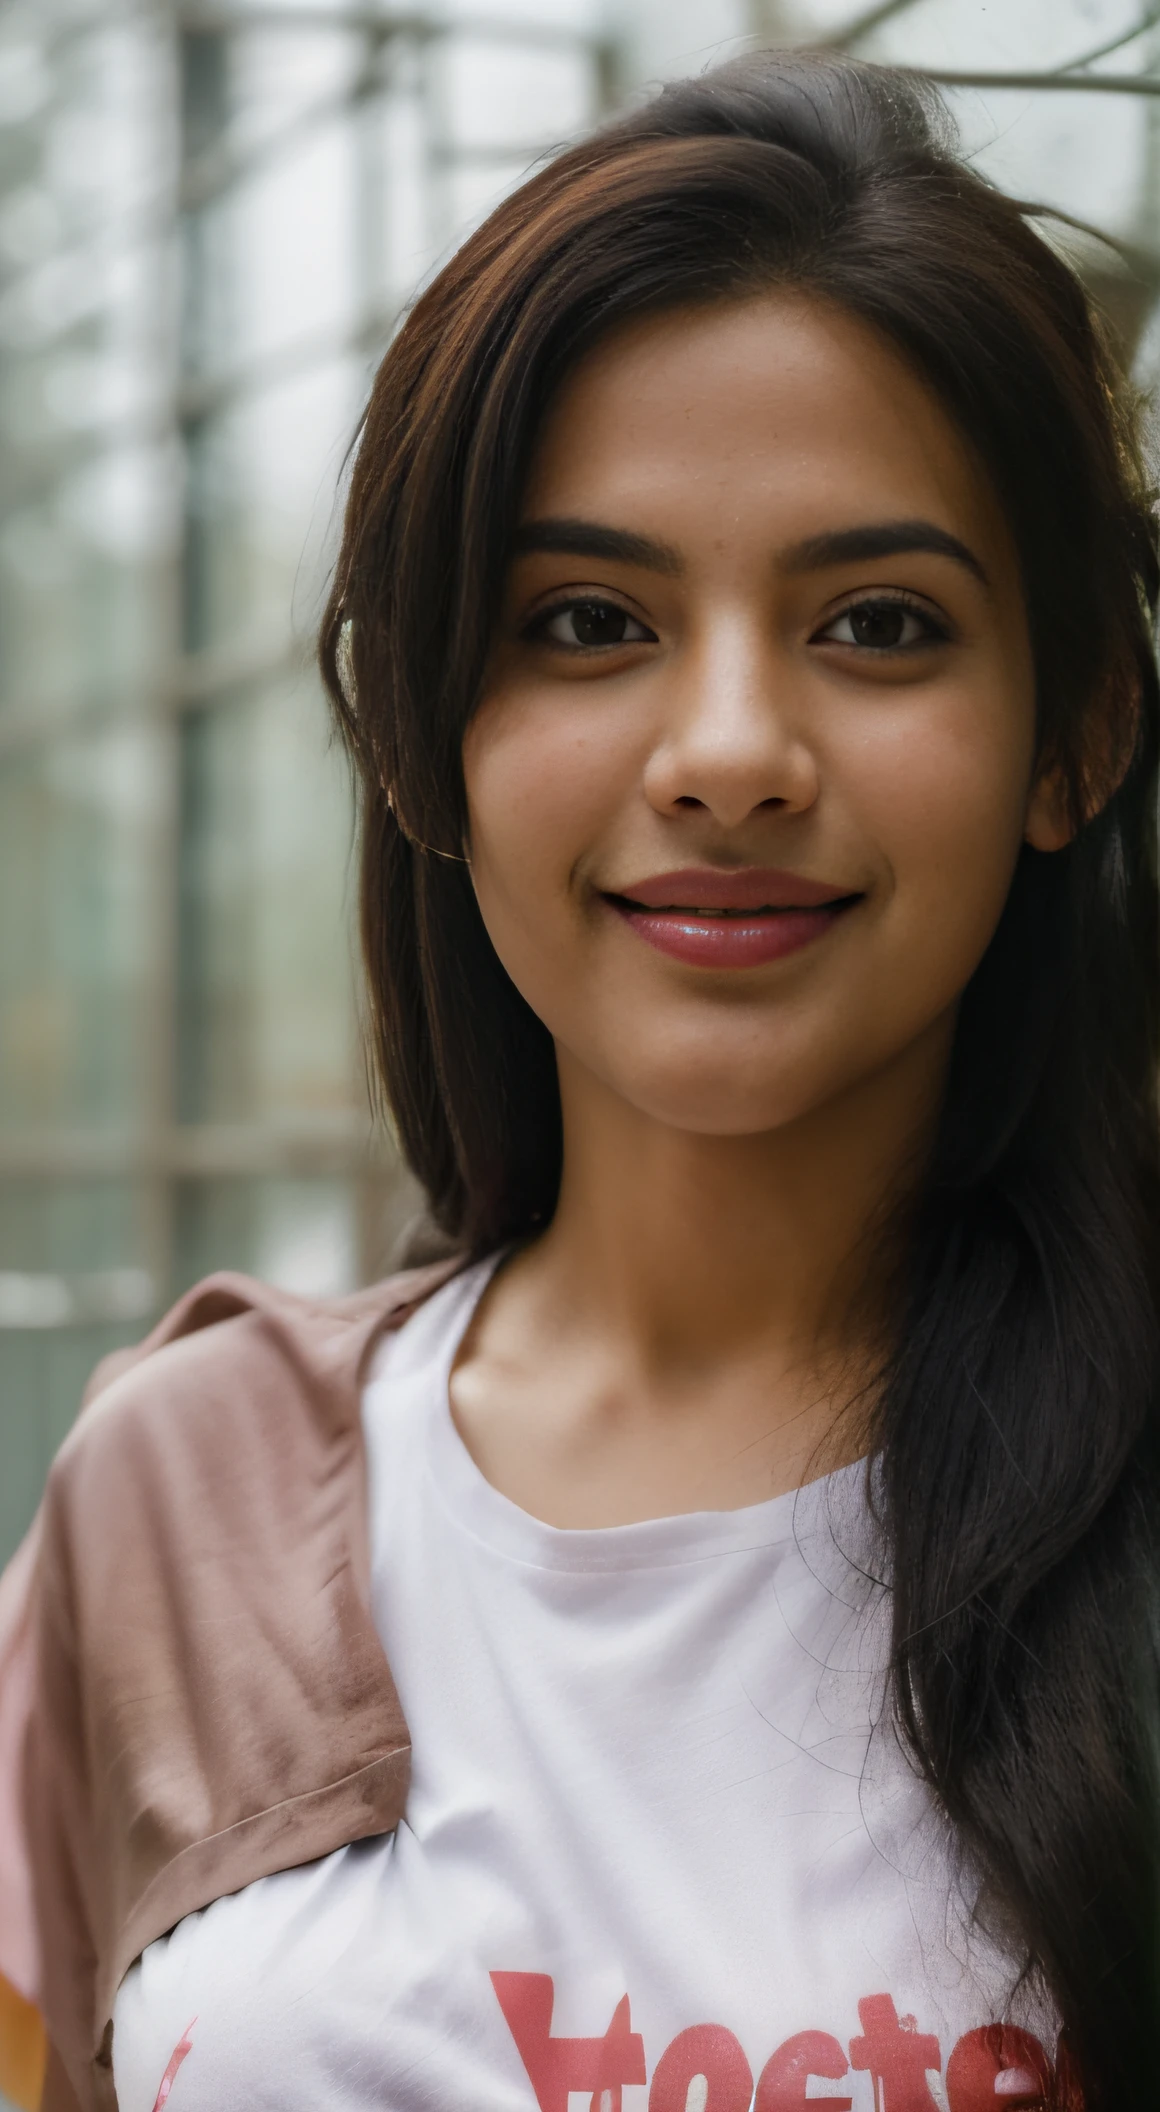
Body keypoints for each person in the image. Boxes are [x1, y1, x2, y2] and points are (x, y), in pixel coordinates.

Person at [2, 45, 1158, 2112]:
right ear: (428, 739)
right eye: (589, 620)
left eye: (878, 623)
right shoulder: (179, 1494)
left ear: (1072, 733)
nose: (726, 749)